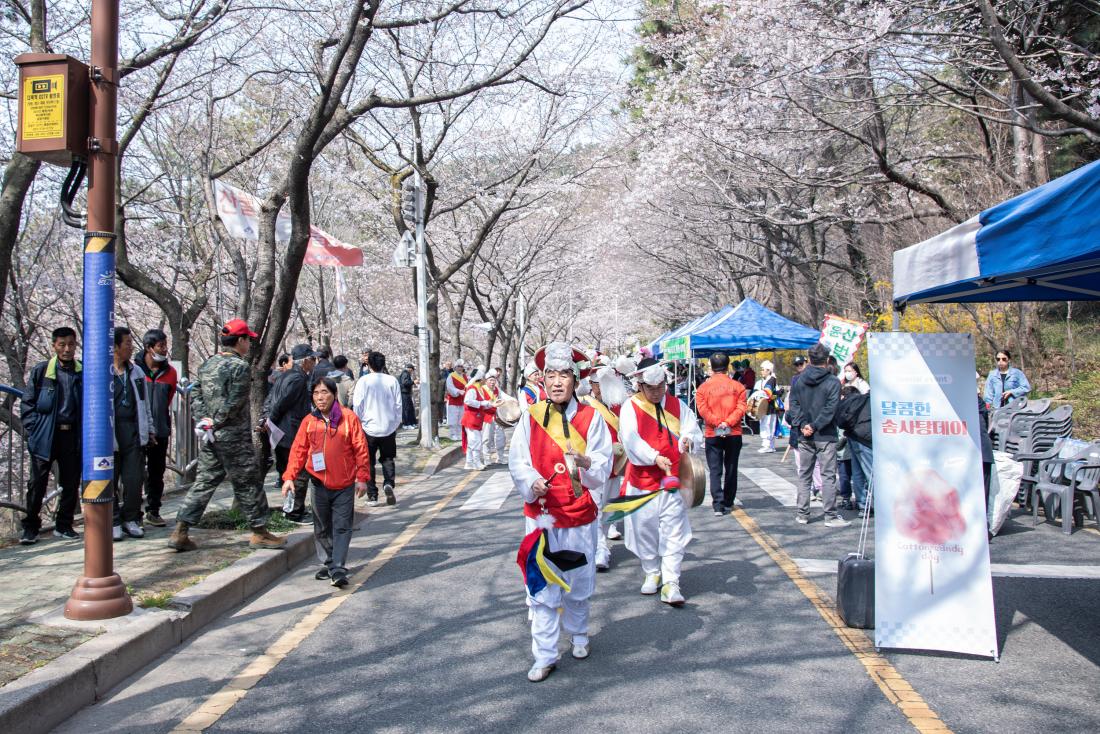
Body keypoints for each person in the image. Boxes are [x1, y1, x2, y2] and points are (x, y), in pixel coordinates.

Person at [508, 342, 612, 682]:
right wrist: (531, 481)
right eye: (550, 375)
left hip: (579, 512)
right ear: (543, 380)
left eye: (563, 375)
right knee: (541, 589)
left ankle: (579, 634)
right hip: (541, 515)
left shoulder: (591, 417)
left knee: (579, 582)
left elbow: (603, 461)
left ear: (574, 379)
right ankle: (545, 654)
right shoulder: (531, 416)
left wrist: (587, 462)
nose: (556, 382)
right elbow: (518, 461)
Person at [169, 319, 285, 551]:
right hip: (233, 437)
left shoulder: (207, 364)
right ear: (240, 340)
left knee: (204, 482)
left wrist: (205, 421)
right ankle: (259, 531)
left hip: (211, 436)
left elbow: (196, 395)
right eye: (247, 340)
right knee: (248, 482)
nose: (249, 345)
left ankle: (180, 530)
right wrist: (217, 421)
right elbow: (236, 400)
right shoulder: (240, 367)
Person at [619, 358, 704, 606]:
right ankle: (651, 570)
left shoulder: (678, 405)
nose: (656, 392)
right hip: (642, 481)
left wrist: (688, 440)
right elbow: (630, 440)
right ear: (640, 386)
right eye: (651, 388)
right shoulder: (630, 407)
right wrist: (654, 457)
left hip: (674, 480)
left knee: (674, 530)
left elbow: (692, 429)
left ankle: (671, 581)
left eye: (660, 387)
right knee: (643, 528)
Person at [282, 377, 371, 587]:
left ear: (334, 394)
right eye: (316, 393)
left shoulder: (349, 419)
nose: (320, 397)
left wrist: (362, 478)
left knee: (341, 527)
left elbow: (361, 449)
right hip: (318, 483)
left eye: (325, 392)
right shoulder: (309, 422)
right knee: (321, 527)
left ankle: (338, 567)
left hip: (344, 485)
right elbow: (298, 451)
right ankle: (329, 562)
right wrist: (289, 477)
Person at [19, 327, 83, 544]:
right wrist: (33, 429)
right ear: (54, 345)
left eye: (71, 344)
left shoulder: (81, 372)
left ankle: (64, 525)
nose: (67, 349)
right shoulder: (42, 371)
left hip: (71, 434)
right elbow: (27, 403)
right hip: (45, 434)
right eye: (62, 345)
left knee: (71, 481)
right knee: (37, 482)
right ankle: (30, 527)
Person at [787, 343, 850, 527]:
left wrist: (803, 425)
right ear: (827, 359)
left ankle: (802, 514)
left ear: (809, 359)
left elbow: (794, 405)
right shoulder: (833, 382)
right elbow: (831, 409)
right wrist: (814, 425)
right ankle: (830, 516)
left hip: (804, 434)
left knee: (804, 475)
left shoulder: (799, 380)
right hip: (825, 434)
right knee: (828, 475)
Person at [111, 327, 154, 541]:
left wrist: (150, 429)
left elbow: (144, 403)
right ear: (115, 347)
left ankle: (131, 518)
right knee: (110, 480)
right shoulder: (103, 372)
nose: (131, 346)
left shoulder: (136, 371)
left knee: (134, 478)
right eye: (127, 343)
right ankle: (113, 521)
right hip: (110, 432)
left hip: (134, 430)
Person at [267, 344, 316, 524]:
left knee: (289, 473)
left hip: (281, 431)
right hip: (291, 431)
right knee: (299, 473)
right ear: (304, 361)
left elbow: (271, 400)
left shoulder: (285, 375)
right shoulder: (297, 379)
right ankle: (295, 512)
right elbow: (281, 403)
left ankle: (290, 509)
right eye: (312, 359)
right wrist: (271, 419)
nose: (314, 363)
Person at [695, 352, 748, 516]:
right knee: (731, 467)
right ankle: (728, 501)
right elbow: (741, 408)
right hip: (734, 431)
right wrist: (728, 422)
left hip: (712, 432)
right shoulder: (738, 386)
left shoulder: (703, 388)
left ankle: (717, 504)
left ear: (711, 366)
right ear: (727, 366)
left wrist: (717, 422)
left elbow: (702, 410)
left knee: (715, 469)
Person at [138, 329, 178, 528]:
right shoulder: (134, 369)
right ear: (148, 347)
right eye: (160, 346)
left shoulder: (170, 372)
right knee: (134, 472)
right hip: (137, 430)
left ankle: (153, 510)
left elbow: (168, 399)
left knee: (157, 471)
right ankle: (132, 513)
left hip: (160, 428)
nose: (164, 349)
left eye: (165, 345)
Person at [352, 351, 401, 506]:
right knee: (387, 458)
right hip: (388, 426)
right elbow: (398, 404)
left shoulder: (363, 381)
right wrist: (396, 422)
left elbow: (357, 405)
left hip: (368, 427)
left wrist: (358, 421)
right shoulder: (392, 380)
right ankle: (388, 483)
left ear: (369, 364)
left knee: (368, 461)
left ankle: (372, 495)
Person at [461, 368, 492, 470]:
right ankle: (477, 462)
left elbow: (482, 403)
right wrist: (483, 403)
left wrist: (490, 404)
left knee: (472, 442)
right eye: (483, 378)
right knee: (476, 441)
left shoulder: (477, 389)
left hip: (475, 419)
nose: (484, 380)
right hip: (471, 419)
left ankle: (469, 462)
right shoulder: (472, 389)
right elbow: (468, 401)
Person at [751, 360, 779, 453]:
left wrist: (759, 393)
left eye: (763, 370)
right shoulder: (769, 380)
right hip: (768, 406)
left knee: (766, 425)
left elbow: (768, 392)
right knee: (769, 425)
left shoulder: (771, 380)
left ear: (768, 370)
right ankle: (770, 445)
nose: (761, 371)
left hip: (768, 406)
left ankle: (767, 445)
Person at [481, 369, 507, 464]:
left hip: (497, 416)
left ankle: (500, 457)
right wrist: (491, 404)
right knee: (487, 438)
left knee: (501, 437)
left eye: (494, 380)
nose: (492, 382)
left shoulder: (497, 389)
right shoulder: (482, 389)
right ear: (486, 381)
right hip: (486, 416)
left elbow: (503, 397)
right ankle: (487, 458)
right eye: (490, 380)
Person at [445, 359, 468, 440]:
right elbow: (450, 387)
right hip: (453, 400)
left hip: (462, 400)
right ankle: (453, 434)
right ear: (455, 367)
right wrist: (458, 391)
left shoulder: (465, 376)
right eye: (458, 366)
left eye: (461, 366)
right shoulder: (451, 376)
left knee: (461, 418)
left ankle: (459, 433)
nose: (460, 368)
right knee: (453, 418)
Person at [398, 363, 418, 428]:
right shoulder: (405, 373)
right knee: (406, 409)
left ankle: (411, 423)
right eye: (412, 370)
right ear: (409, 369)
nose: (412, 372)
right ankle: (406, 424)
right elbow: (405, 382)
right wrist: (413, 382)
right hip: (404, 393)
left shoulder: (406, 373)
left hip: (406, 393)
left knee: (410, 408)